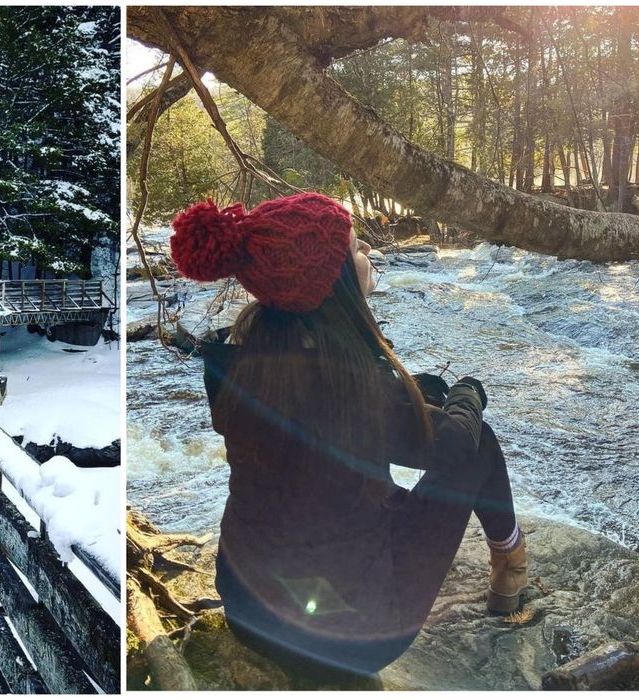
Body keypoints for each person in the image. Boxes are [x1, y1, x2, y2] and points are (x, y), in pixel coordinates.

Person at [168, 193, 529, 684]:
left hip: (247, 608)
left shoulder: (235, 362)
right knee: (476, 439)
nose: (369, 257)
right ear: (329, 282)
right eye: (358, 249)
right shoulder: (355, 388)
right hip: (354, 637)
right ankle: (510, 561)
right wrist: (469, 394)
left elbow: (310, 435)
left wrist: (414, 392)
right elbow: (456, 446)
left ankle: (509, 562)